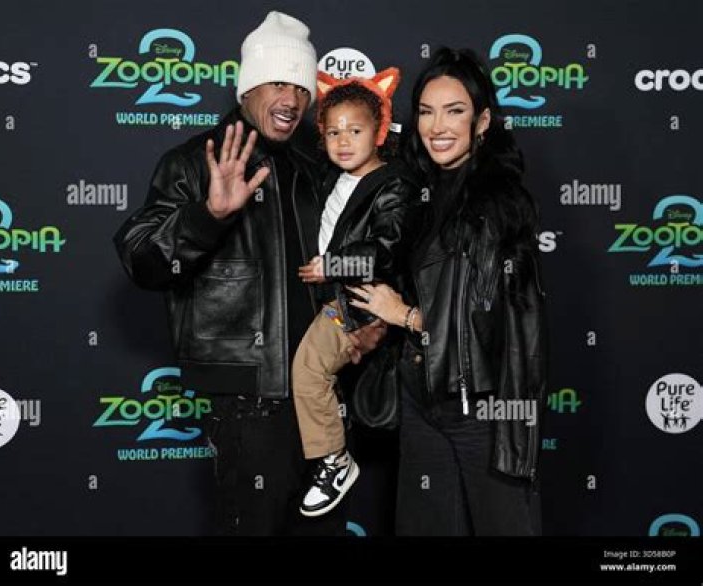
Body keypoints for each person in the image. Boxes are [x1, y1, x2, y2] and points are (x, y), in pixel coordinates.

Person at [114, 11, 385, 536]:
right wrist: (207, 217)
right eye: (278, 82)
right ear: (248, 88)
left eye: (301, 88)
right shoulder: (196, 161)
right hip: (248, 403)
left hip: (323, 393)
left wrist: (365, 323)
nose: (292, 99)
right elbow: (140, 258)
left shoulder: (319, 166)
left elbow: (354, 256)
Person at [348, 47, 548, 536]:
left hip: (480, 409)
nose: (437, 126)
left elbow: (490, 323)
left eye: (454, 111)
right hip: (421, 400)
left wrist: (405, 316)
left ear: (482, 122)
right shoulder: (416, 192)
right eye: (426, 111)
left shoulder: (495, 204)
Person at [292, 68, 420, 517]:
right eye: (333, 132)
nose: (343, 141)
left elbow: (387, 250)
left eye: (355, 131)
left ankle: (334, 461)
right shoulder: (333, 177)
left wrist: (335, 264)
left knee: (308, 371)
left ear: (379, 131)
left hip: (362, 305)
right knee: (317, 377)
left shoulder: (395, 184)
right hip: (333, 300)